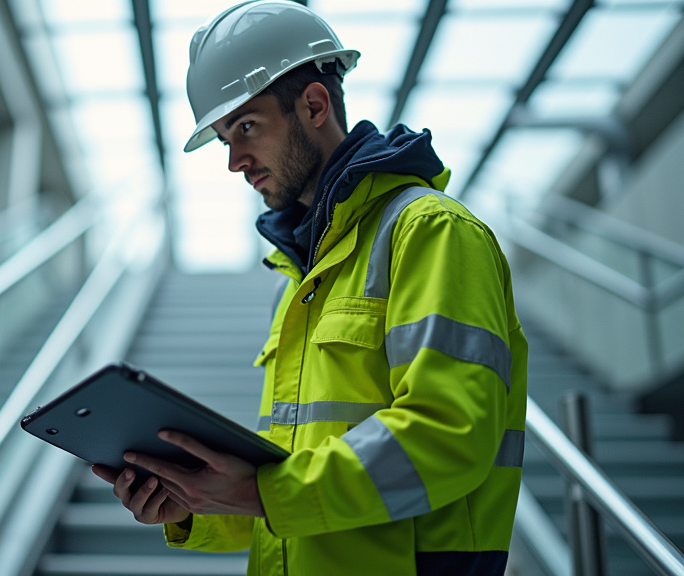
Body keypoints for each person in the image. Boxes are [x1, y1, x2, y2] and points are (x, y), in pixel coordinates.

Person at [92, 1, 529, 574]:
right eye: (225, 139)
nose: (235, 161)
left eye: (246, 127)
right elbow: (286, 486)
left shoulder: (430, 232)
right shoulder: (301, 279)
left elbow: (449, 436)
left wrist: (261, 492)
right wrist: (193, 501)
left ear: (315, 106)